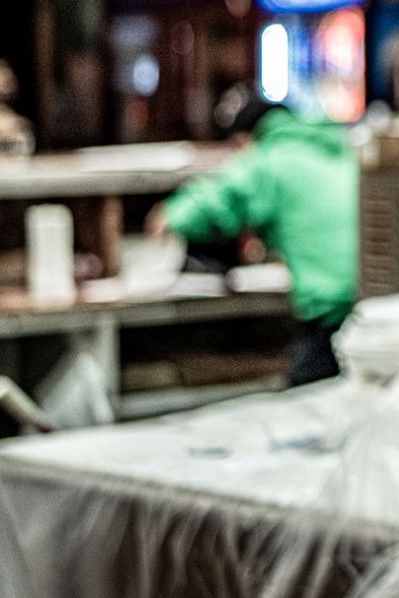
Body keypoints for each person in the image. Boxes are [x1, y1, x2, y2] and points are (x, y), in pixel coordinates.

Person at [148, 87, 358, 385]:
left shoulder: (268, 158)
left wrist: (169, 215)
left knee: (308, 394)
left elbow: (219, 198)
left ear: (245, 138)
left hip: (330, 302)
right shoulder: (330, 147)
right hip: (369, 293)